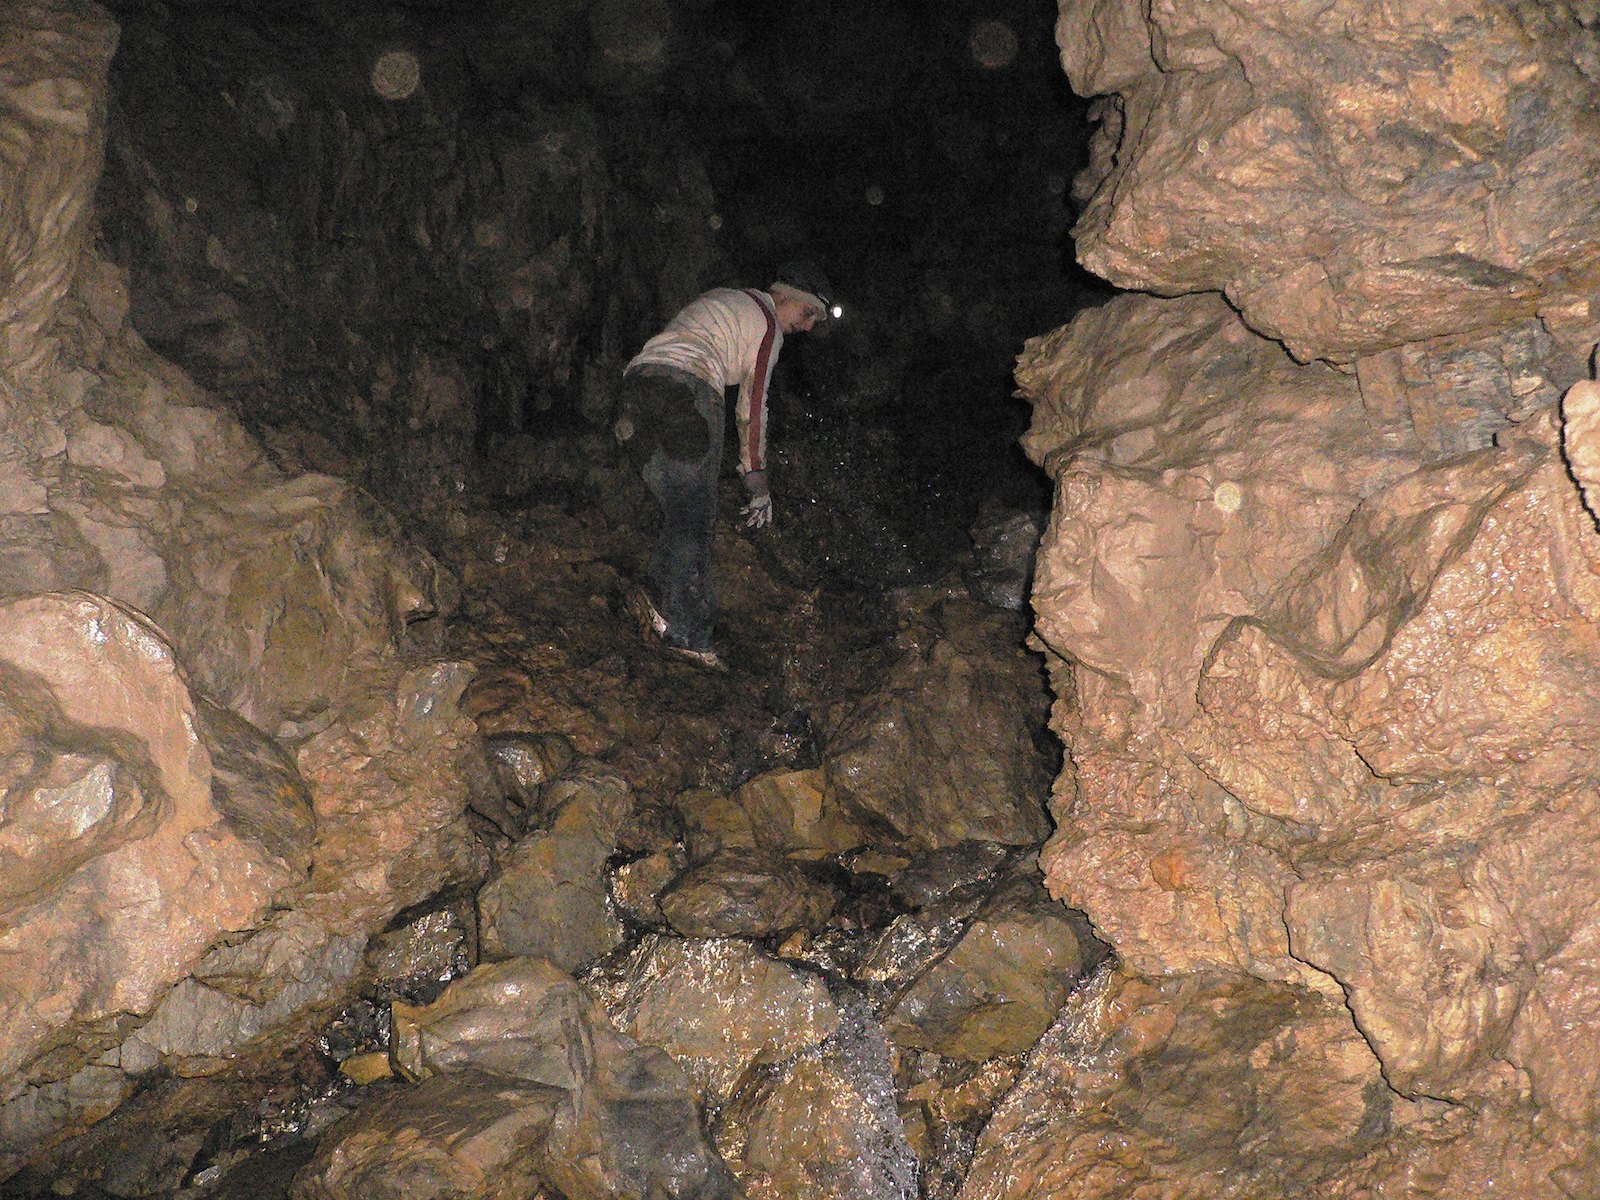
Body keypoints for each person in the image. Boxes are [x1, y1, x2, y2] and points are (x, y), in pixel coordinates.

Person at [615, 263, 837, 671]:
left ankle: (658, 599)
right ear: (785, 296)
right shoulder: (767, 321)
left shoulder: (724, 299)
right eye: (808, 315)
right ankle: (689, 634)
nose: (807, 328)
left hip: (636, 391)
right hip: (688, 391)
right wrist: (757, 480)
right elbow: (752, 407)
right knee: (694, 514)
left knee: (680, 508)